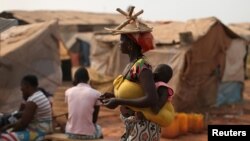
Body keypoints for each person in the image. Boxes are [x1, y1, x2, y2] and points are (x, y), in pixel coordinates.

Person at [101, 6, 174, 141]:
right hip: (133, 125)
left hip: (144, 128)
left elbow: (151, 99)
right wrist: (112, 96)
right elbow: (136, 92)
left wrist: (118, 101)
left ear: (130, 44)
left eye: (121, 40)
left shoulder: (142, 67)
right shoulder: (132, 65)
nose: (119, 44)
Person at [0, 74, 53, 141]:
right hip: (44, 129)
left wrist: (10, 132)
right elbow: (24, 119)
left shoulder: (33, 100)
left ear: (28, 87)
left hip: (39, 133)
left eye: (23, 89)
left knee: (3, 137)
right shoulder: (40, 94)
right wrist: (8, 126)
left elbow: (23, 124)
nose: (22, 91)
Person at [65, 67, 103, 140]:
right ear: (88, 79)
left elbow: (71, 112)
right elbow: (94, 120)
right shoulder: (96, 93)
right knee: (99, 129)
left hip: (70, 133)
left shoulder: (68, 92)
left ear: (75, 78)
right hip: (88, 135)